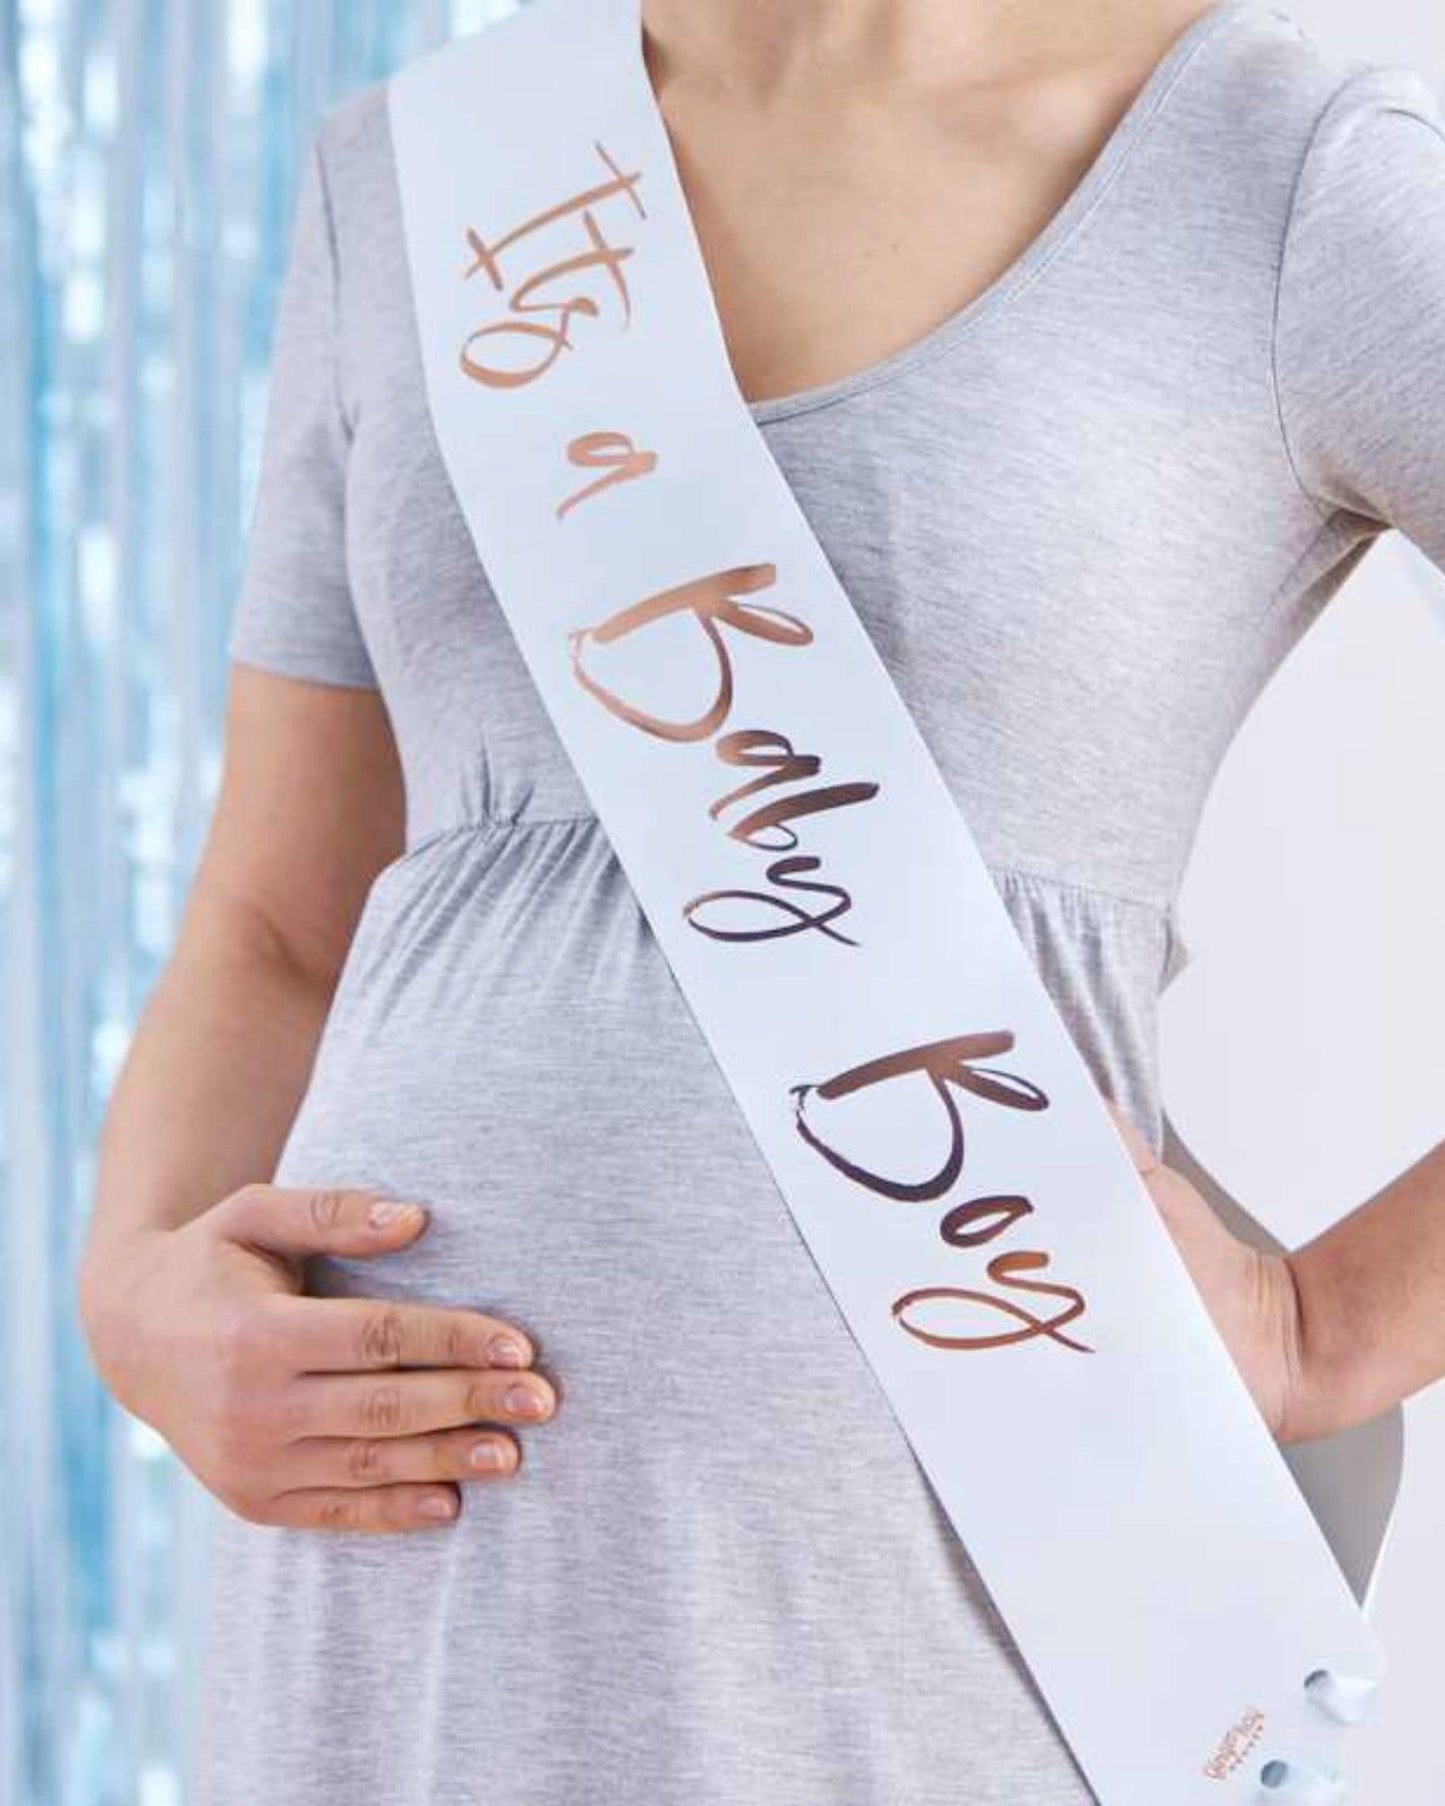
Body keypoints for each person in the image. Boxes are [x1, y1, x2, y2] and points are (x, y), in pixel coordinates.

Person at [77, 0, 1445, 1801]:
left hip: (944, 1577)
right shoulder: (418, 181)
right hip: (382, 1574)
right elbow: (278, 921)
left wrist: (1329, 1325)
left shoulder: (1277, 169)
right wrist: (136, 1293)